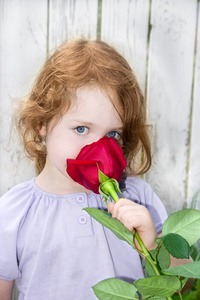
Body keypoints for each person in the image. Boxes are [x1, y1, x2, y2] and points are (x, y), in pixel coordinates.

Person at [0, 39, 179, 300]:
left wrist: (153, 245)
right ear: (42, 124)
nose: (98, 146)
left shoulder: (138, 198)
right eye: (81, 129)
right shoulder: (15, 212)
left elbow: (183, 287)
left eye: (112, 134)